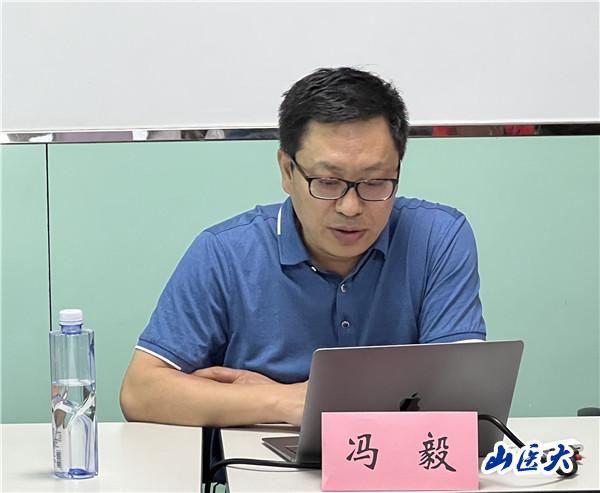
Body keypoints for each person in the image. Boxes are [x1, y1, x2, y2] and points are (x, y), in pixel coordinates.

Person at [120, 67, 486, 429]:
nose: (350, 207)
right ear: (287, 170)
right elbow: (141, 392)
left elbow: (458, 397)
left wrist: (318, 402)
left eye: (375, 182)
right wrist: (283, 401)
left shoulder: (438, 238)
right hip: (256, 461)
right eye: (327, 181)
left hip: (395, 461)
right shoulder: (225, 253)